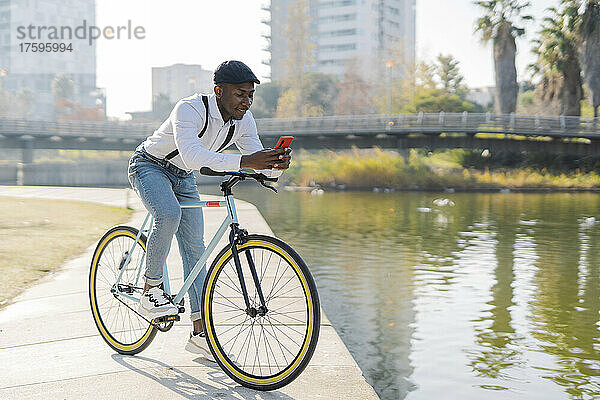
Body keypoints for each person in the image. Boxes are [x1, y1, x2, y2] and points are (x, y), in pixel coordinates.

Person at [127, 60, 291, 360]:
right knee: (169, 214)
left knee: (195, 249)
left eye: (250, 94)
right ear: (219, 91)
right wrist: (247, 162)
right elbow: (192, 156)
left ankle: (200, 333)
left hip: (183, 176)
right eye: (240, 94)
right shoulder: (189, 109)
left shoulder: (245, 120)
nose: (247, 100)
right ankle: (151, 289)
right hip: (149, 166)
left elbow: (254, 159)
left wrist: (274, 166)